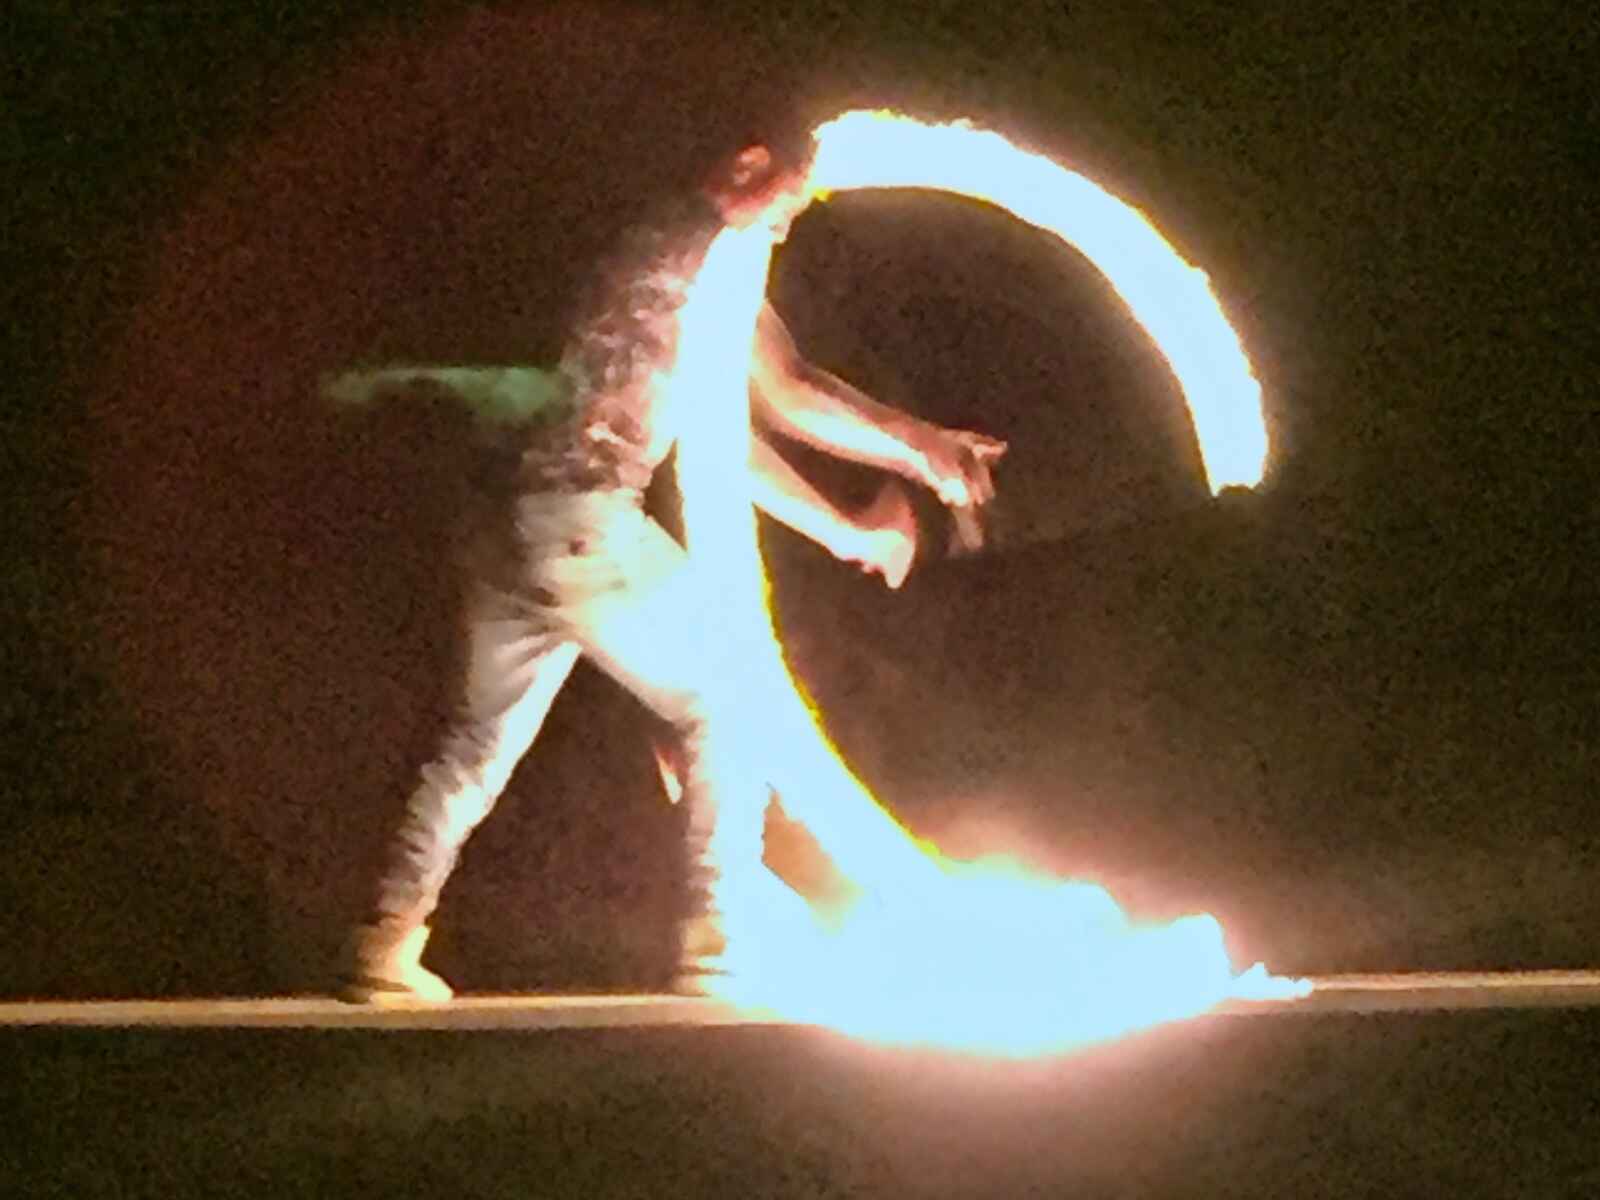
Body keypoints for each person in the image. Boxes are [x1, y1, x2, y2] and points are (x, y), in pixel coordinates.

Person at [335, 136, 1006, 1004]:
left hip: (509, 528)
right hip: (582, 519)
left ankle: (384, 941)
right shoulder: (691, 254)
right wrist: (922, 448)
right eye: (783, 201)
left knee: (477, 743)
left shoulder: (654, 249)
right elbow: (789, 389)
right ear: (744, 168)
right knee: (734, 697)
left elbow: (723, 436)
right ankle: (721, 938)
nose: (782, 226)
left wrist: (849, 525)